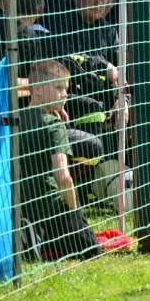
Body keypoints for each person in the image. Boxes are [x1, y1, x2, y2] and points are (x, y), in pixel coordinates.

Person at [19, 59, 101, 261]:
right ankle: (43, 241)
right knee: (93, 250)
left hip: (21, 202)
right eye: (59, 88)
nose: (65, 94)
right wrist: (74, 209)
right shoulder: (54, 125)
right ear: (37, 90)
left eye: (66, 88)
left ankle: (34, 237)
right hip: (51, 205)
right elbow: (63, 178)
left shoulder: (15, 118)